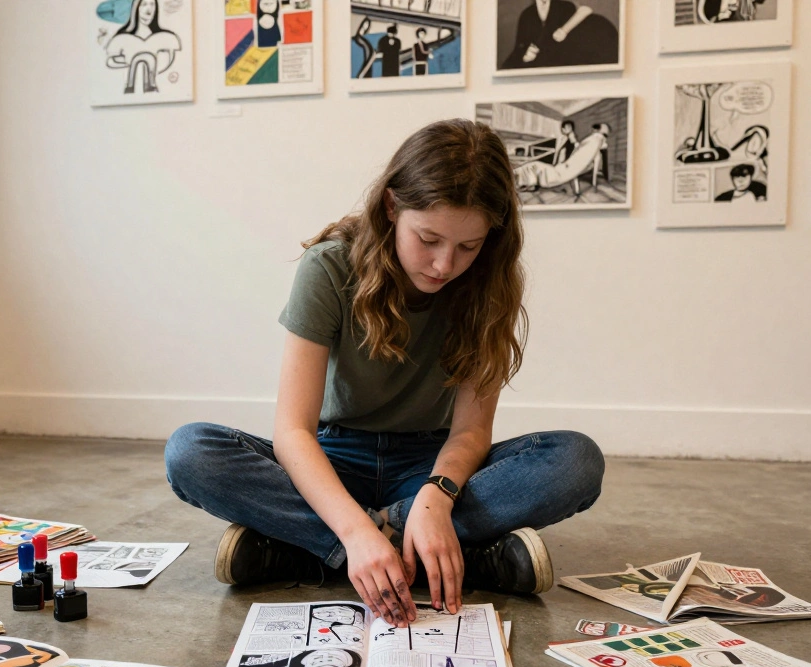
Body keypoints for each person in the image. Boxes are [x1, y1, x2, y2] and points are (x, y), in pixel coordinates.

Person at [164, 119, 604, 629]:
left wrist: (436, 498)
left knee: (575, 461)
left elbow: (470, 432)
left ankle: (305, 553)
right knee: (191, 451)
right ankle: (442, 555)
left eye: (468, 246)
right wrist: (355, 532)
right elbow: (293, 431)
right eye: (429, 238)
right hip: (333, 457)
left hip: (430, 463)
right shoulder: (329, 268)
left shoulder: (490, 286)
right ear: (392, 207)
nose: (444, 265)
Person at [104, 0, 181, 94]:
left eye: (152, 4)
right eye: (144, 4)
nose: (149, 9)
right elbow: (110, 61)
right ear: (136, 8)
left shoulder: (167, 37)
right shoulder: (121, 38)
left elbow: (169, 60)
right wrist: (134, 62)